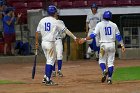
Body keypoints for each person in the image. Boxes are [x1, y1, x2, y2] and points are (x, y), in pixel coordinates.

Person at [35, 5, 78, 86]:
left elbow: (37, 32)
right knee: (50, 61)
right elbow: (66, 30)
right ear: (54, 13)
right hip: (50, 43)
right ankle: (48, 79)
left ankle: (45, 77)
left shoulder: (42, 20)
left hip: (43, 43)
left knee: (49, 60)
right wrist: (74, 37)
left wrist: (36, 42)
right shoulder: (56, 21)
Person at [79, 10, 125, 84]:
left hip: (103, 45)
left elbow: (93, 35)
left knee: (101, 60)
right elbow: (118, 36)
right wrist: (122, 45)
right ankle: (109, 79)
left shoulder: (99, 24)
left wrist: (84, 39)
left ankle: (104, 71)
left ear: (103, 16)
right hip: (112, 45)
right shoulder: (114, 25)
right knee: (110, 63)